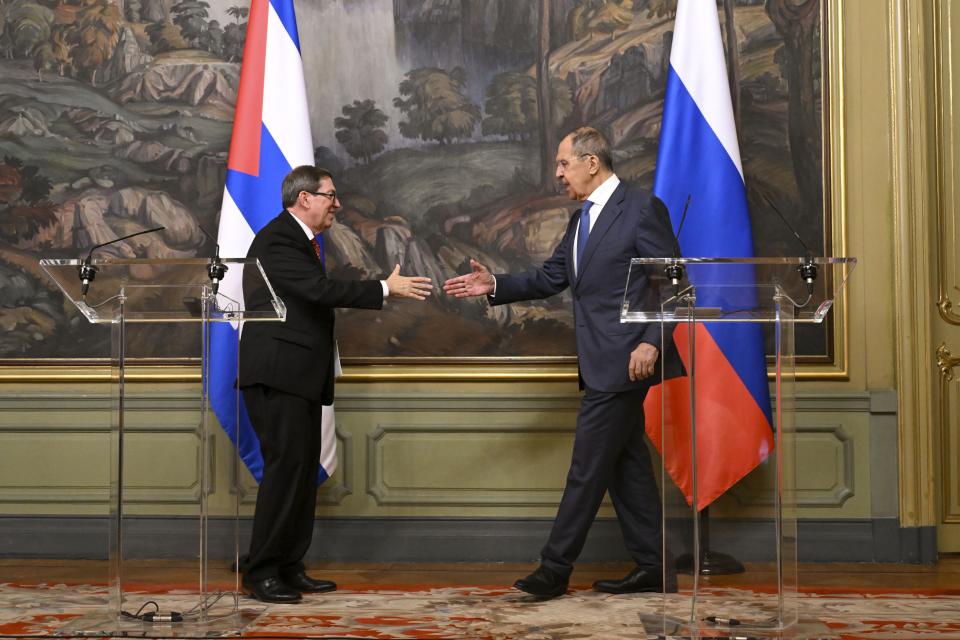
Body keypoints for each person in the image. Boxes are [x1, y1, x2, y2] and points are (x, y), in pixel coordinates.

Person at [443, 127, 682, 599]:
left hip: (626, 360)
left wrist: (651, 342)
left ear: (592, 163)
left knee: (587, 467)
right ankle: (655, 565)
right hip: (600, 360)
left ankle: (554, 569)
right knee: (624, 464)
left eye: (563, 164)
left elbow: (672, 283)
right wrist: (495, 285)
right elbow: (552, 276)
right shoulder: (581, 220)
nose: (557, 174)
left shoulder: (640, 208)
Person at [238, 165, 432, 604]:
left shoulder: (304, 242)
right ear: (304, 198)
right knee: (286, 472)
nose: (337, 204)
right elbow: (318, 291)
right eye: (330, 195)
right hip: (277, 375)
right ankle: (261, 570)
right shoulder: (278, 239)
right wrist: (384, 288)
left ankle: (289, 566)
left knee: (302, 474)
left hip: (299, 375)